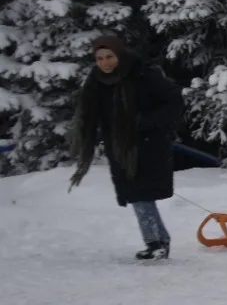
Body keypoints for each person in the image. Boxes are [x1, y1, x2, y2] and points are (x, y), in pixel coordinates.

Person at [68, 34, 185, 259]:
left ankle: (155, 243)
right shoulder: (96, 81)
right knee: (137, 194)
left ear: (119, 54)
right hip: (118, 147)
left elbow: (174, 101)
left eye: (109, 56)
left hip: (148, 144)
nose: (105, 63)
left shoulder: (143, 75)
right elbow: (92, 113)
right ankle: (160, 240)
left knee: (140, 193)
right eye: (99, 58)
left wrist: (146, 122)